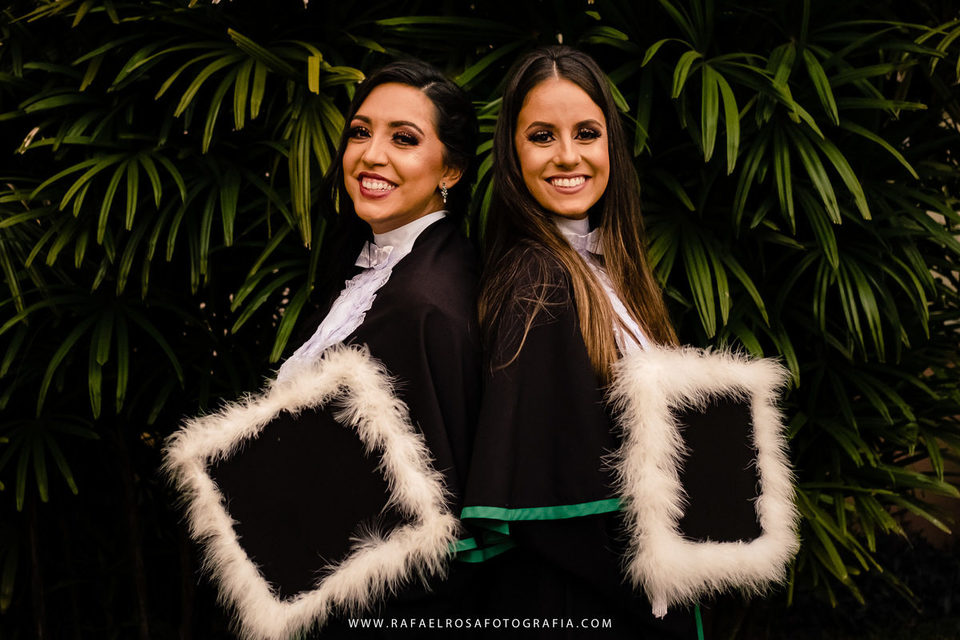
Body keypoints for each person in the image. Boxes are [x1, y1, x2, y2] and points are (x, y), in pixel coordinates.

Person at [461, 46, 796, 639]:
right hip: (581, 603)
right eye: (542, 135)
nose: (569, 156)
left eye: (586, 133)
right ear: (512, 155)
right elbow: (547, 502)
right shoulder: (538, 281)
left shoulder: (610, 270)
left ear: (611, 143)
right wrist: (650, 582)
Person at [164, 59, 481, 640]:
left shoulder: (427, 305)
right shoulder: (372, 267)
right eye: (360, 132)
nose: (371, 155)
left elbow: (434, 523)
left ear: (451, 170)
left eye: (404, 139)